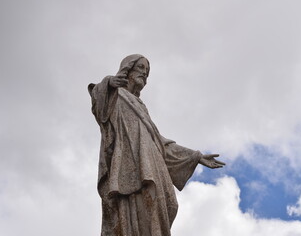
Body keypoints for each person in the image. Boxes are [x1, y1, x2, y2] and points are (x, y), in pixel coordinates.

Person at [88, 54, 225, 236]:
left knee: (168, 204)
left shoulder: (141, 107)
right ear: (127, 69)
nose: (144, 73)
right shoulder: (115, 96)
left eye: (147, 71)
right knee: (138, 208)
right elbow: (99, 104)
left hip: (153, 166)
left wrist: (196, 156)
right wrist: (109, 82)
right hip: (132, 169)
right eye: (140, 68)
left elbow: (160, 143)